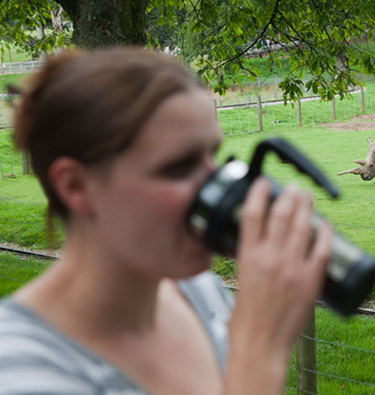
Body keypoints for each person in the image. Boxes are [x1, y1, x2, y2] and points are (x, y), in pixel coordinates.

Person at [0, 47, 332, 394]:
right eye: (178, 167)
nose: (216, 189)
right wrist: (260, 351)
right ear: (76, 187)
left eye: (212, 157)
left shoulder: (202, 295)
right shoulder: (18, 368)